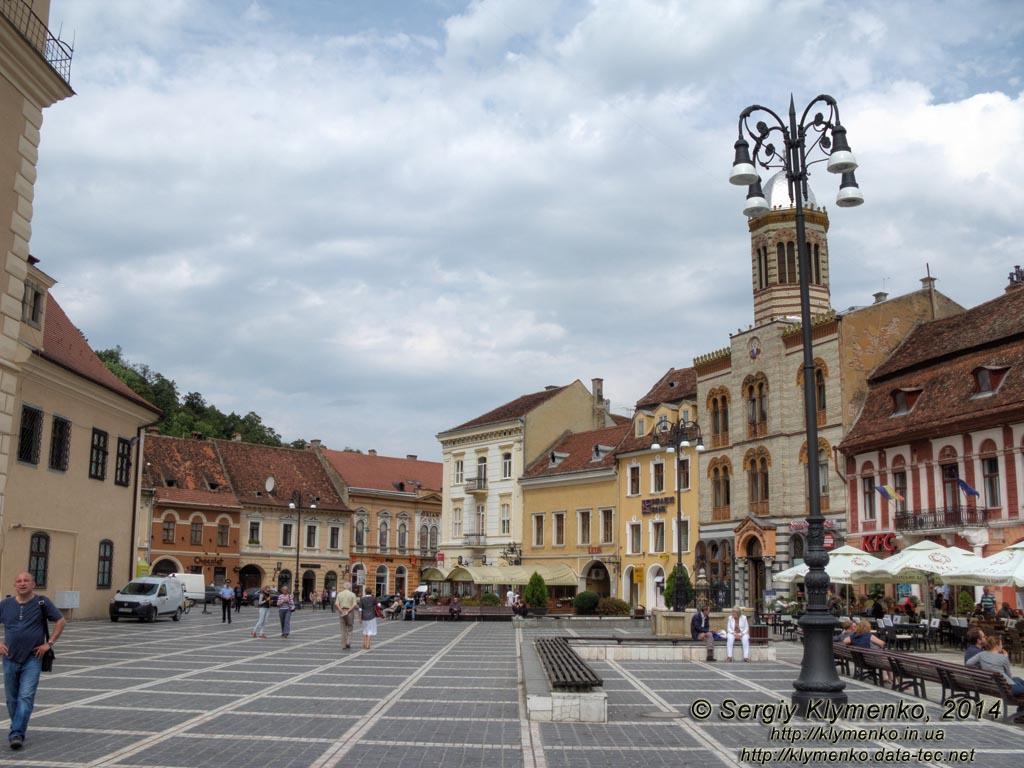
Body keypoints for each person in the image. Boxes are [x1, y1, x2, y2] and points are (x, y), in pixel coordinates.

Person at [0, 573, 65, 750]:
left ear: (33, 584)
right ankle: (18, 728)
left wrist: (49, 644)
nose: (22, 584)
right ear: (15, 585)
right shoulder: (5, 605)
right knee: (12, 699)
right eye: (19, 581)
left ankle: (16, 734)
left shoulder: (42, 602)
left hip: (33, 658)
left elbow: (60, 620)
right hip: (9, 658)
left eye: (26, 581)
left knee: (26, 696)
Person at [966, 636, 1024, 722]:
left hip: (994, 685)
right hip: (1007, 688)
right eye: (1001, 644)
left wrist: (981, 668)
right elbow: (1008, 675)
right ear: (996, 645)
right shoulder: (1003, 658)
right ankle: (1021, 714)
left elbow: (968, 663)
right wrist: (1006, 657)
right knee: (1018, 682)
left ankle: (1021, 714)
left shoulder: (981, 654)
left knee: (1018, 680)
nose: (1002, 646)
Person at [335, 584, 358, 650]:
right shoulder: (352, 594)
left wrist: (341, 611)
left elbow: (336, 604)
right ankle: (348, 642)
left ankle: (343, 645)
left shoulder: (339, 594)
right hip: (350, 612)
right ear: (350, 587)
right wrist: (348, 611)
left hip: (342, 611)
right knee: (350, 627)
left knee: (343, 629)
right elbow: (354, 605)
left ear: (343, 587)